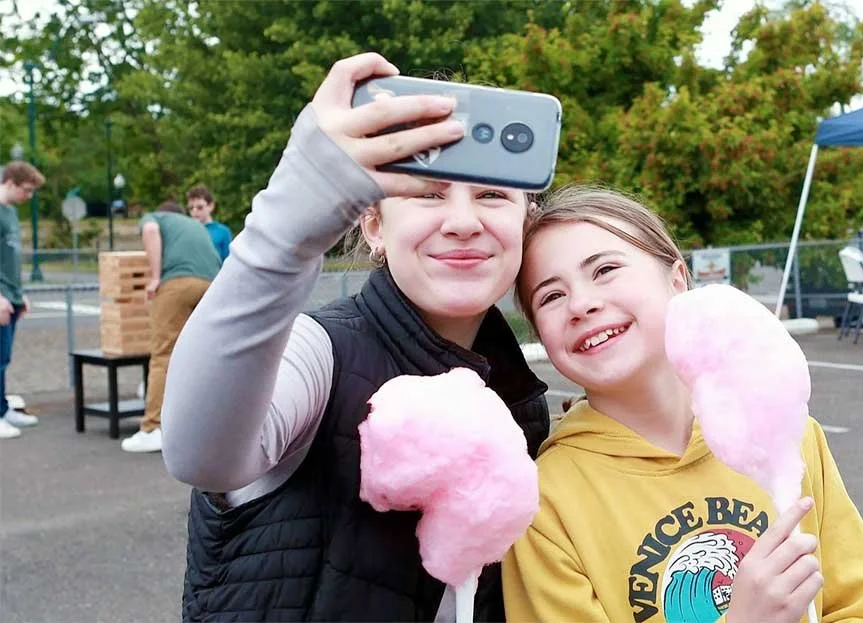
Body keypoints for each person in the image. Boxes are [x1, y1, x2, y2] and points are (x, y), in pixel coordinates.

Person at [159, 52, 550, 621]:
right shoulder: (320, 353)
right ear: (373, 226)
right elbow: (202, 454)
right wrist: (290, 225)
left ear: (523, 222)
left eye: (493, 195)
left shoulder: (521, 403)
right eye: (427, 193)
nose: (464, 221)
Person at [503, 186, 863, 623]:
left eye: (606, 269)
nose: (581, 304)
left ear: (676, 280)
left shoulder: (791, 436)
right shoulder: (543, 502)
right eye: (550, 296)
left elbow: (854, 607)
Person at [120, 200, 220, 453]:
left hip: (178, 283)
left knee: (163, 355)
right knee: (201, 356)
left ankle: (152, 427)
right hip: (212, 286)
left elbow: (150, 231)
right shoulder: (195, 226)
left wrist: (155, 278)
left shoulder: (153, 216)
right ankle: (205, 423)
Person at [0, 161, 45, 440]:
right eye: (26, 190)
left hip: (12, 295)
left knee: (4, 358)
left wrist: (19, 293)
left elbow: (11, 258)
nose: (28, 196)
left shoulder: (11, 214)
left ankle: (3, 409)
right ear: (10, 182)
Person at [185, 184, 232, 261]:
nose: (194, 211)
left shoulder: (223, 231)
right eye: (191, 208)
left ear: (211, 206)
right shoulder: (186, 232)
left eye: (200, 207)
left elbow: (228, 262)